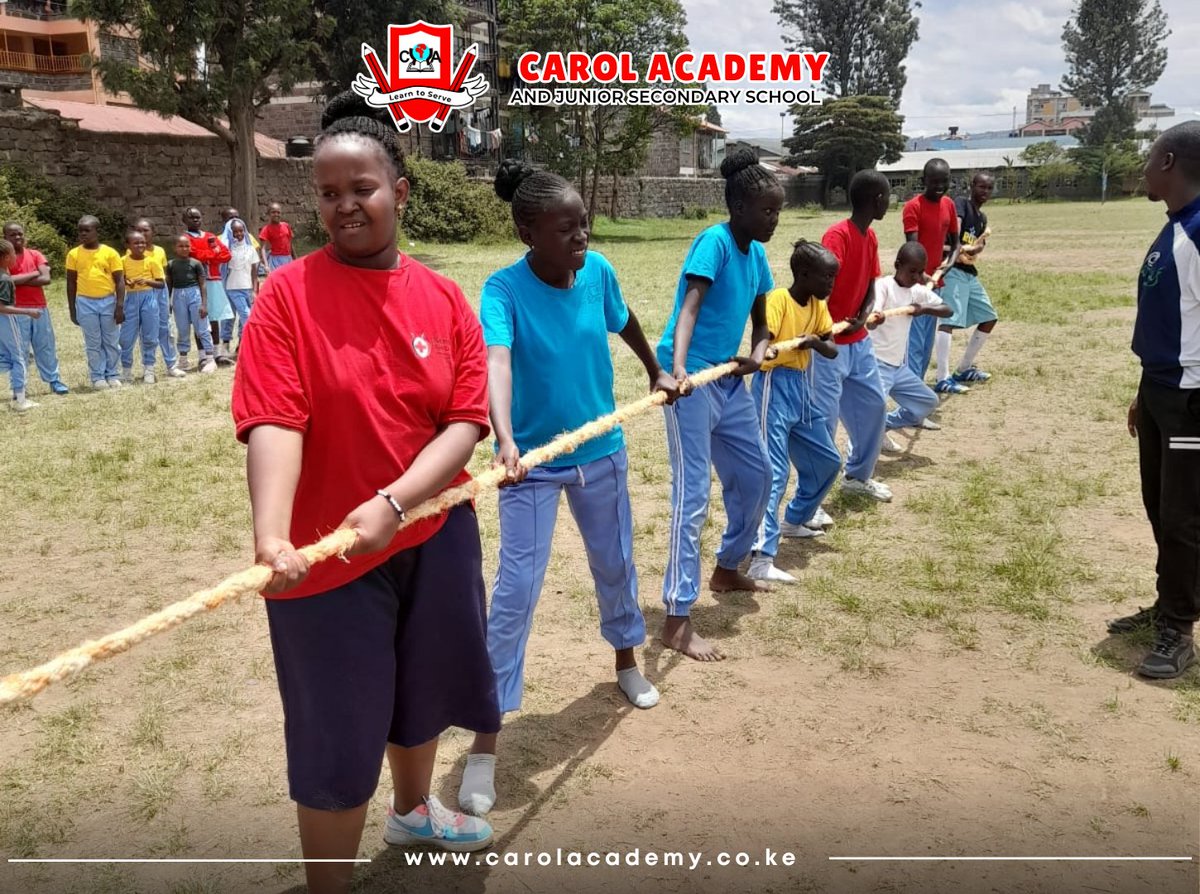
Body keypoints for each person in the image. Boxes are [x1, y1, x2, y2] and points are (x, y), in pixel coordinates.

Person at [231, 91, 498, 894]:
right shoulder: (286, 297)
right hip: (327, 560)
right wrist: (275, 537)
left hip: (431, 532)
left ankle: (415, 810)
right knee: (336, 733)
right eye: (328, 193)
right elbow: (275, 417)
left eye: (362, 189)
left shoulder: (444, 299)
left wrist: (394, 503)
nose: (344, 206)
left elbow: (464, 421)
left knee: (425, 688)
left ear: (400, 191)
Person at [459, 161, 677, 817]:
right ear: (528, 230)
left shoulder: (598, 274)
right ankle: (484, 745)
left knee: (614, 562)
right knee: (516, 591)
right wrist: (504, 438)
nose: (581, 237)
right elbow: (496, 361)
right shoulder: (502, 290)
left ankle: (625, 664)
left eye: (584, 225)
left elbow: (625, 319)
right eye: (567, 228)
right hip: (534, 463)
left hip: (602, 452)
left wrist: (656, 369)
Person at [656, 148, 778, 662]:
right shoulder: (716, 242)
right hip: (694, 379)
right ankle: (678, 618)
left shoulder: (759, 255)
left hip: (729, 379)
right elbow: (689, 307)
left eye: (778, 211)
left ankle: (728, 567)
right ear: (739, 207)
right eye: (767, 210)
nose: (774, 219)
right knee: (693, 497)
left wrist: (756, 352)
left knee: (758, 477)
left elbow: (763, 318)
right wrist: (678, 369)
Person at [1112, 121, 1200, 679]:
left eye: (1149, 158)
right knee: (1158, 504)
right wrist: (1145, 393)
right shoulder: (1176, 227)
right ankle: (1169, 601)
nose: (1143, 168)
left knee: (1183, 515)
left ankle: (1179, 629)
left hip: (1192, 399)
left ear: (1169, 162)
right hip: (1161, 390)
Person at [746, 239, 841, 583]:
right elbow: (763, 341)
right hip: (773, 386)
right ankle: (760, 556)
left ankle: (796, 518)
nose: (831, 285)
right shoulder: (778, 301)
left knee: (829, 460)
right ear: (803, 274)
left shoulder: (817, 306)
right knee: (774, 472)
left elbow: (831, 347)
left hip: (802, 386)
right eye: (827, 278)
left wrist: (814, 342)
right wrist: (767, 351)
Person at [810, 170, 892, 509]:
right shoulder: (837, 236)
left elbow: (872, 283)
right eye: (888, 196)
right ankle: (810, 501)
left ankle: (858, 477)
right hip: (831, 346)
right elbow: (818, 286)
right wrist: (824, 329)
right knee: (824, 421)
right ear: (876, 200)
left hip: (858, 341)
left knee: (875, 406)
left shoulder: (869, 237)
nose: (890, 202)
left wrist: (864, 313)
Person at [868, 242, 951, 442]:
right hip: (877, 365)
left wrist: (922, 309)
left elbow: (948, 309)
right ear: (898, 265)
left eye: (920, 272)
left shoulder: (917, 292)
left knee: (928, 402)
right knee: (872, 412)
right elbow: (872, 319)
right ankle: (855, 465)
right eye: (911, 271)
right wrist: (876, 318)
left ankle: (886, 424)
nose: (915, 277)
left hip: (898, 368)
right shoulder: (884, 286)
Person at [902, 158, 960, 391]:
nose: (939, 186)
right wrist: (924, 276)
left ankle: (917, 396)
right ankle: (912, 402)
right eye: (934, 181)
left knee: (927, 344)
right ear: (923, 181)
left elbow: (955, 245)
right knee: (914, 345)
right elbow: (912, 250)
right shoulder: (913, 207)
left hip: (936, 283)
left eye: (944, 181)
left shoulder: (949, 205)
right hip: (916, 285)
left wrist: (947, 267)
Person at [935, 172, 998, 387]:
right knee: (948, 320)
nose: (985, 192)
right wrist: (966, 246)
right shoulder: (961, 204)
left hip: (968, 273)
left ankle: (963, 369)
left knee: (989, 317)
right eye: (981, 187)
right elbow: (957, 232)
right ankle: (942, 378)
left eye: (989, 188)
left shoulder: (982, 218)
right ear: (972, 186)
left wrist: (976, 249)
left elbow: (972, 247)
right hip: (952, 270)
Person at [3, 221, 68, 395]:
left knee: (45, 346)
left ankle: (54, 380)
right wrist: (33, 274)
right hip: (17, 310)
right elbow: (7, 281)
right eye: (12, 234)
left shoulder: (35, 254)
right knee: (19, 350)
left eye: (20, 233)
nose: (17, 237)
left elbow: (46, 279)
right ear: (5, 237)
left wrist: (18, 279)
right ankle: (19, 388)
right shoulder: (5, 259)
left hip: (40, 308)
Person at [66, 215, 125, 390]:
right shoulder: (73, 254)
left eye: (87, 230)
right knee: (93, 342)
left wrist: (119, 306)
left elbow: (120, 281)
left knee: (111, 340)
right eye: (80, 231)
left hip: (108, 301)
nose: (83, 234)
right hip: (85, 302)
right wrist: (72, 308)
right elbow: (71, 282)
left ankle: (113, 374)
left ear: (97, 231)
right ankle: (97, 376)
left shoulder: (109, 253)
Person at [132, 218, 186, 378]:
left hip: (159, 293)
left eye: (145, 230)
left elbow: (164, 277)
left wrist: (167, 298)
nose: (142, 234)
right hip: (142, 294)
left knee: (166, 328)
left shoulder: (160, 251)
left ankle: (171, 364)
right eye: (138, 230)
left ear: (153, 233)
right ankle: (149, 367)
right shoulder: (132, 252)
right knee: (147, 332)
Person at [0, 237, 46, 411]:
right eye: (12, 253)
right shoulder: (4, 279)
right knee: (19, 356)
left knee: (8, 356)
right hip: (6, 320)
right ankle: (21, 400)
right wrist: (27, 311)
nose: (15, 257)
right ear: (5, 257)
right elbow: (2, 307)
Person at [183, 207, 234, 364]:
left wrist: (208, 257)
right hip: (196, 282)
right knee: (200, 317)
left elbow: (226, 255)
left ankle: (218, 353)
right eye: (192, 218)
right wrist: (213, 255)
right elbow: (194, 255)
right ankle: (203, 355)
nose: (196, 220)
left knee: (214, 317)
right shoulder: (185, 239)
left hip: (214, 280)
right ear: (184, 220)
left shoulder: (210, 236)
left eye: (198, 217)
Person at [120, 229, 166, 384]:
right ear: (127, 245)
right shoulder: (123, 261)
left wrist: (146, 281)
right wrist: (128, 282)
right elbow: (121, 279)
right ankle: (126, 370)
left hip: (149, 299)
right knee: (126, 337)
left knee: (150, 335)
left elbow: (161, 283)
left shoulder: (151, 261)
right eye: (136, 243)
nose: (140, 245)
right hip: (131, 300)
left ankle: (149, 369)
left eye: (143, 242)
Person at [166, 235, 216, 374]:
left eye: (187, 246)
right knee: (182, 329)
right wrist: (167, 302)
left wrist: (204, 304)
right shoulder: (170, 264)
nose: (184, 249)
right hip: (178, 296)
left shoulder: (196, 263)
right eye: (180, 246)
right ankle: (183, 360)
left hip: (194, 294)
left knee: (202, 327)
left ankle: (210, 358)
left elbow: (203, 284)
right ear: (174, 248)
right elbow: (169, 284)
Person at [221, 218, 257, 353]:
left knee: (243, 319)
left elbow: (254, 272)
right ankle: (225, 345)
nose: (238, 234)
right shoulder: (227, 250)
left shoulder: (250, 249)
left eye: (241, 230)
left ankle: (241, 345)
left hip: (247, 287)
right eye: (234, 231)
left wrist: (254, 290)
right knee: (243, 315)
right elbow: (223, 268)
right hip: (232, 288)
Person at [260, 203, 296, 272]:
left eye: (278, 212)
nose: (276, 214)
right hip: (275, 260)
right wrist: (266, 265)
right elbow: (263, 249)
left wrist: (295, 258)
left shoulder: (286, 226)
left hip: (288, 258)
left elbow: (290, 244)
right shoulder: (266, 229)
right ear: (269, 214)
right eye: (273, 212)